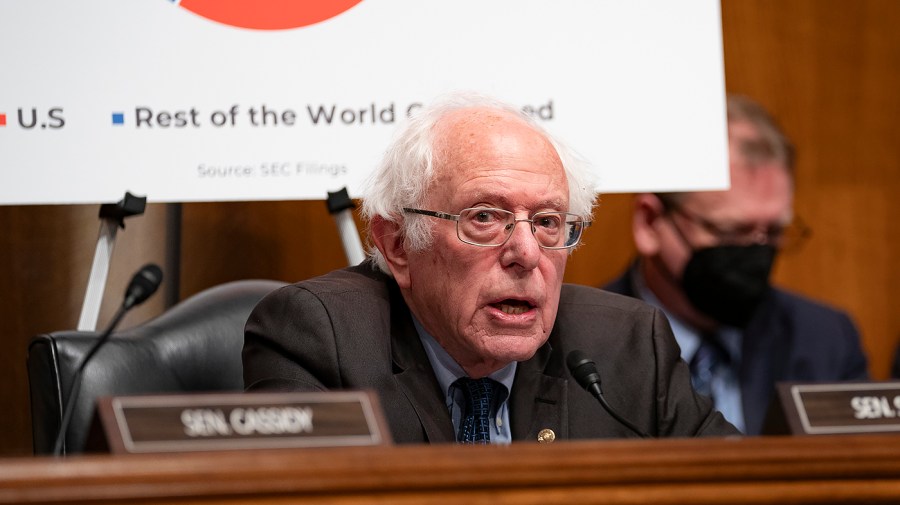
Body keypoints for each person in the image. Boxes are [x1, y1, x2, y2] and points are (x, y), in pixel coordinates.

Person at [243, 91, 739, 444]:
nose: (526, 252)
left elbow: (740, 485)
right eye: (484, 217)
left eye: (547, 222)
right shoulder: (317, 337)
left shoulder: (627, 346)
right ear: (396, 244)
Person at [604, 94, 869, 435]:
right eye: (731, 231)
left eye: (773, 232)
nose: (755, 253)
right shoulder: (579, 348)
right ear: (650, 222)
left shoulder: (823, 341)